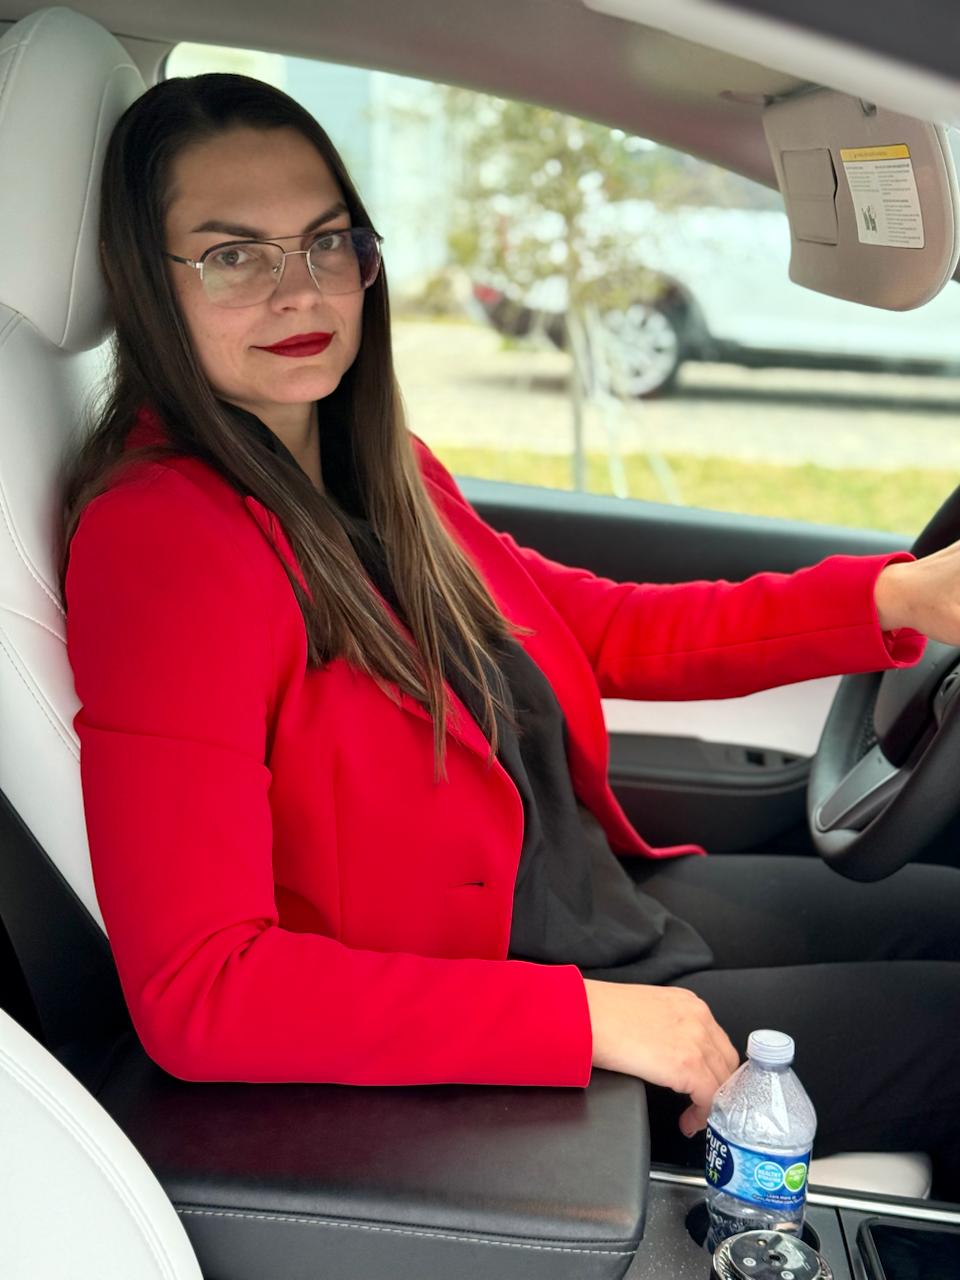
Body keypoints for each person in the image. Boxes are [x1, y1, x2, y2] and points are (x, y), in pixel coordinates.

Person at [60, 72, 960, 1197]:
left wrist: (898, 600)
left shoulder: (368, 461)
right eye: (234, 255)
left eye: (328, 241)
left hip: (584, 907)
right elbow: (201, 989)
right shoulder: (161, 541)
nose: (302, 291)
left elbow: (604, 629)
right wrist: (589, 1018)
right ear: (147, 281)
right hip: (494, 1014)